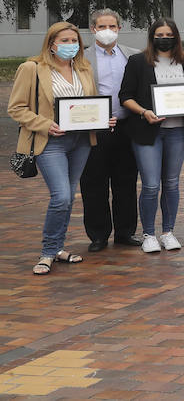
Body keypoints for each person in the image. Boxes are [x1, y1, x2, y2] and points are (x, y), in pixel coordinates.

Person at [9, 22, 113, 275]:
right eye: (64, 41)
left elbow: (90, 104)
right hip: (50, 141)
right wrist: (45, 124)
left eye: (74, 40)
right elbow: (16, 108)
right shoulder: (32, 68)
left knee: (68, 197)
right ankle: (47, 252)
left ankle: (57, 248)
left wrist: (103, 119)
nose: (70, 45)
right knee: (61, 196)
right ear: (51, 44)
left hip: (80, 142)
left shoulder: (83, 68)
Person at [119, 18, 184, 253]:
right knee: (151, 185)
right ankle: (149, 235)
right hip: (147, 132)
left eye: (169, 34)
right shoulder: (138, 62)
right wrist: (145, 112)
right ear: (152, 37)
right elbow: (125, 96)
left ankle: (168, 232)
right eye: (159, 34)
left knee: (172, 183)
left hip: (177, 131)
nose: (164, 38)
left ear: (175, 36)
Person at [81, 8, 139, 251]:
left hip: (126, 127)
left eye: (112, 27)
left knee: (126, 182)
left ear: (119, 28)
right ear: (93, 29)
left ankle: (125, 232)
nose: (107, 31)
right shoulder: (81, 58)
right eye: (101, 27)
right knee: (94, 183)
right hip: (94, 128)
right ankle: (98, 235)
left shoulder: (132, 55)